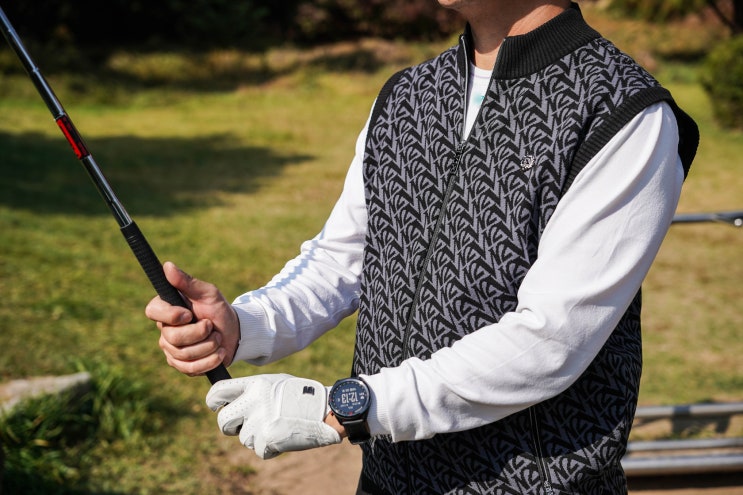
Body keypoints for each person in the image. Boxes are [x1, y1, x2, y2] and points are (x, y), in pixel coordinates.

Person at [145, 1, 699, 493]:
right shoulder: (407, 94)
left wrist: (348, 408)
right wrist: (244, 325)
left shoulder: (626, 112)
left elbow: (552, 340)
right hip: (386, 477)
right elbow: (342, 260)